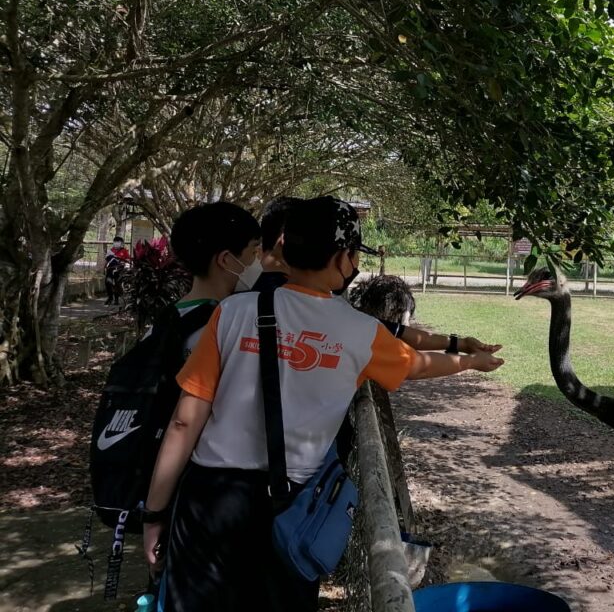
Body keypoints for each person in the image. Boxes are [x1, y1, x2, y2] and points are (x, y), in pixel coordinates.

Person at [142, 196, 505, 611]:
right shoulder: (359, 331)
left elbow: (184, 424)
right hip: (292, 507)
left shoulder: (231, 313)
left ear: (285, 247)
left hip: (209, 499)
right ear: (343, 259)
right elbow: (418, 366)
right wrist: (471, 362)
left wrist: (154, 516)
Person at [253, 196, 498, 358]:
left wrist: (460, 344)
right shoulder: (332, 317)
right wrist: (468, 359)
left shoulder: (235, 306)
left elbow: (391, 331)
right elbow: (408, 360)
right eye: (353, 254)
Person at [169, 202, 263, 347]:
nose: (259, 260)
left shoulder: (164, 323)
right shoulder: (233, 328)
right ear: (225, 259)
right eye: (254, 251)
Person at [104, 236, 130, 305]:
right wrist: (105, 267)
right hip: (110, 269)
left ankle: (116, 299)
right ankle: (110, 297)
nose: (116, 243)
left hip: (119, 269)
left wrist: (123, 263)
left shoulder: (124, 251)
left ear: (121, 243)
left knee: (117, 284)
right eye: (115, 242)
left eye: (118, 242)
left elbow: (128, 260)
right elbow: (107, 260)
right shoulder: (111, 250)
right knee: (108, 282)